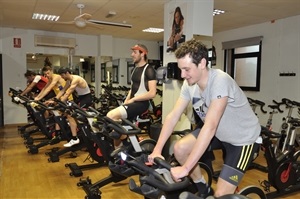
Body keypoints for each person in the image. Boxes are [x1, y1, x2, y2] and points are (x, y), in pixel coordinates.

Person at [148, 38, 261, 197]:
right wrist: (157, 150)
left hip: (242, 140)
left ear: (202, 63)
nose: (182, 75)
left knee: (221, 194)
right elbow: (173, 116)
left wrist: (186, 169)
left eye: (186, 69)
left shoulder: (219, 81)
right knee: (180, 149)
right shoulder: (189, 84)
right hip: (220, 134)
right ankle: (203, 186)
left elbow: (210, 126)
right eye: (181, 69)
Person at [107, 44, 157, 148]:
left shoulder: (149, 70)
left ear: (142, 54)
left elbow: (152, 93)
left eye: (135, 52)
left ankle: (123, 135)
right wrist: (127, 100)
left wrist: (133, 99)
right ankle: (119, 158)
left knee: (111, 116)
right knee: (118, 134)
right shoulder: (134, 70)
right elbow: (133, 88)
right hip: (133, 103)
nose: (132, 54)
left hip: (141, 104)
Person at [55, 67, 93, 147]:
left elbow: (68, 92)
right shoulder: (69, 80)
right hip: (81, 98)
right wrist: (55, 99)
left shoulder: (76, 79)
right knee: (69, 115)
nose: (62, 77)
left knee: (71, 115)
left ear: (67, 73)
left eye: (62, 75)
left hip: (86, 99)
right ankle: (75, 136)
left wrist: (60, 102)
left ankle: (76, 138)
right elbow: (63, 90)